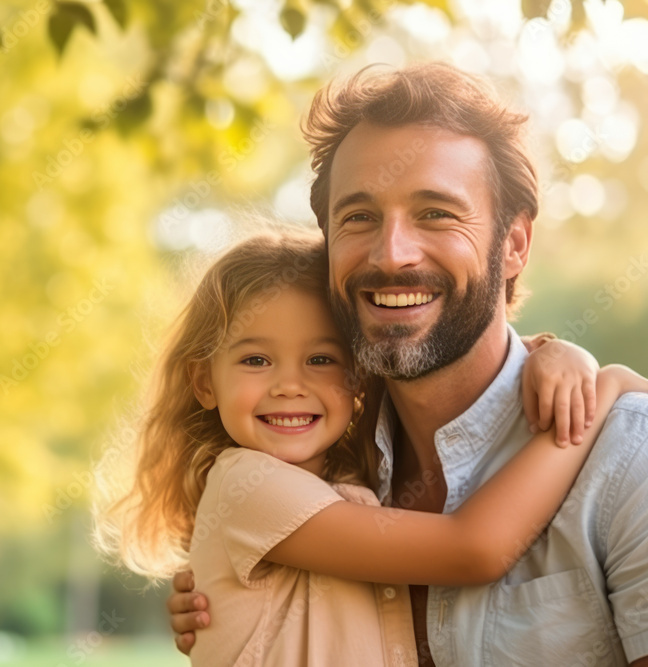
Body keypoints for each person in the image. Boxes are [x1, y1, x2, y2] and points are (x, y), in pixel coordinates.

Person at [168, 63, 648, 666]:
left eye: (436, 213)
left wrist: (588, 376)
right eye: (359, 216)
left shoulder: (631, 456)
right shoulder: (333, 467)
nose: (391, 254)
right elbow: (474, 548)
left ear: (515, 244)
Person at [95, 229, 647, 665]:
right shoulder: (247, 485)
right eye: (256, 360)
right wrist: (607, 389)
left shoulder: (352, 477)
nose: (290, 385)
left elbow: (453, 359)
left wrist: (553, 351)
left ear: (357, 376)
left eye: (321, 359)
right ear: (203, 382)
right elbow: (474, 548)